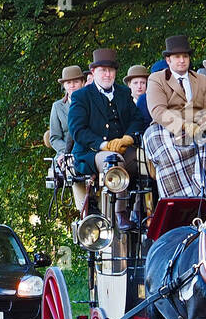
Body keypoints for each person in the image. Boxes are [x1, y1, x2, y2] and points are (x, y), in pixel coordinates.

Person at [69, 48, 149, 230]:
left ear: (115, 72)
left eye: (110, 70)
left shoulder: (123, 93)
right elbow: (78, 130)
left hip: (123, 148)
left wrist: (127, 138)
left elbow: (137, 118)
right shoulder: (82, 96)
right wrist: (103, 144)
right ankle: (120, 214)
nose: (107, 74)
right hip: (92, 153)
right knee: (113, 161)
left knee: (150, 159)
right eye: (102, 70)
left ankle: (144, 211)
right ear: (93, 72)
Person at [143, 35, 206, 199]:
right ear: (168, 60)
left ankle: (204, 196)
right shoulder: (156, 79)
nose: (182, 60)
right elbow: (158, 111)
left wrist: (204, 122)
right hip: (163, 129)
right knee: (171, 154)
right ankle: (177, 202)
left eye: (185, 56)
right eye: (177, 57)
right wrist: (184, 125)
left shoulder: (201, 80)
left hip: (199, 128)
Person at [47, 64, 87, 208]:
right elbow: (54, 137)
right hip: (68, 153)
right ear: (64, 85)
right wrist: (65, 152)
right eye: (68, 83)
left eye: (76, 82)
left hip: (89, 148)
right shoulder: (57, 107)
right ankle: (83, 208)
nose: (72, 85)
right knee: (72, 166)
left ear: (82, 82)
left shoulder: (92, 102)